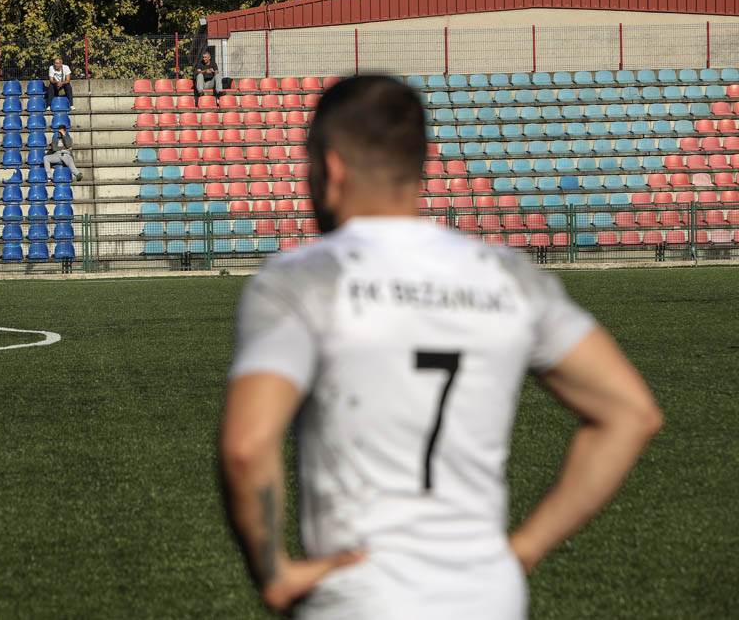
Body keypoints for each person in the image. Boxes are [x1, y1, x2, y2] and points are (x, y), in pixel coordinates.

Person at [219, 76, 662, 619]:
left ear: (330, 169)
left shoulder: (303, 278)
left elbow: (247, 445)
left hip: (361, 596)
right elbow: (630, 413)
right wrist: (522, 550)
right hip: (487, 597)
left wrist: (274, 572)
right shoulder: (507, 274)